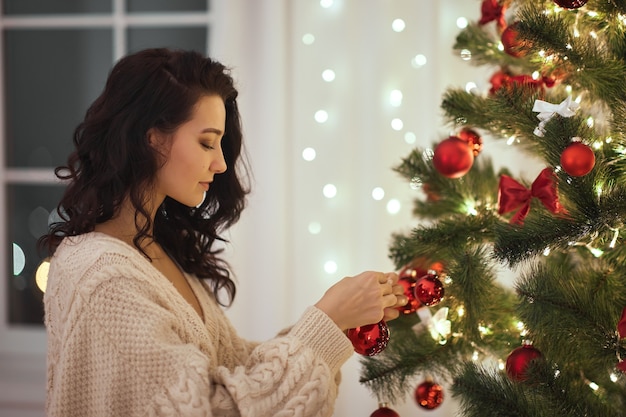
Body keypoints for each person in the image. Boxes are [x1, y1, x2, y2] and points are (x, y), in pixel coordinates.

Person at [39, 48, 407, 417]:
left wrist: (339, 323)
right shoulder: (102, 278)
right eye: (206, 142)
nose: (220, 163)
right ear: (153, 138)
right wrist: (327, 319)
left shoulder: (154, 250)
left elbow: (233, 371)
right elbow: (208, 409)